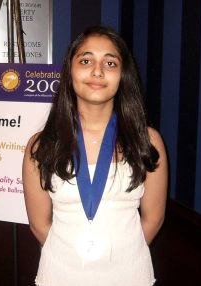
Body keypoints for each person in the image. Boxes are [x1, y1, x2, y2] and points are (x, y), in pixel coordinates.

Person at [22, 25, 168, 286]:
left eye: (110, 63)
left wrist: (117, 260)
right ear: (70, 71)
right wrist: (76, 262)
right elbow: (39, 225)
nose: (97, 71)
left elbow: (153, 219)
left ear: (123, 74)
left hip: (130, 275)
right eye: (86, 60)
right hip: (60, 275)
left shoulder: (148, 141)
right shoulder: (41, 146)